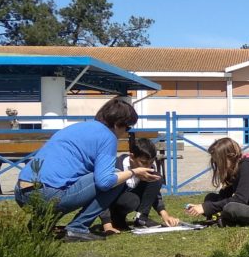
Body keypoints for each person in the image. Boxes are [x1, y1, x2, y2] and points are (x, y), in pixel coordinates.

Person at [14, 97, 160, 242]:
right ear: (117, 124)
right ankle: (77, 228)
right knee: (116, 176)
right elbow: (104, 182)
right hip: (48, 194)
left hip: (23, 193)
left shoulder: (78, 128)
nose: (126, 132)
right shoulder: (108, 137)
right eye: (127, 128)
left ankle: (40, 224)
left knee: (68, 181)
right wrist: (134, 172)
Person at [185, 137, 249, 227]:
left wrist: (206, 208)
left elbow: (240, 199)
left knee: (231, 208)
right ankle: (223, 219)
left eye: (218, 161)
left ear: (229, 157)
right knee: (210, 198)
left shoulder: (246, 167)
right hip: (248, 208)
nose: (217, 164)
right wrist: (203, 206)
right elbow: (226, 195)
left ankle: (224, 220)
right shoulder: (236, 169)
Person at [101, 137, 180, 233]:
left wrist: (165, 215)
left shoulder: (149, 168)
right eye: (143, 162)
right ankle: (116, 220)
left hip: (133, 198)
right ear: (132, 157)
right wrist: (107, 224)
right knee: (131, 200)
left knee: (156, 178)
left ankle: (142, 218)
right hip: (114, 203)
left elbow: (154, 193)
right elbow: (101, 196)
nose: (147, 166)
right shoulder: (115, 166)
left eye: (151, 162)